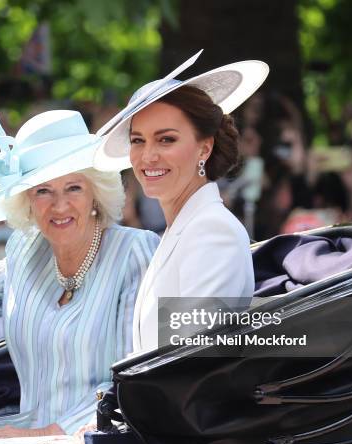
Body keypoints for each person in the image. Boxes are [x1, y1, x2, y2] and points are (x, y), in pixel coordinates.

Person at [0, 110, 159, 438]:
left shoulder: (134, 250)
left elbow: (134, 376)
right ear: (27, 202)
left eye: (73, 187)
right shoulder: (25, 250)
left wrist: (43, 435)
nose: (59, 205)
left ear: (95, 192)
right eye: (43, 191)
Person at [95, 53, 269, 352]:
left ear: (204, 147)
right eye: (138, 140)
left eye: (166, 140)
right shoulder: (181, 229)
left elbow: (192, 360)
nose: (148, 156)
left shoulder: (212, 231)